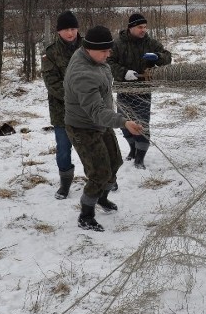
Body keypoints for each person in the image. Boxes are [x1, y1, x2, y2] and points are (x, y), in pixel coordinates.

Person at [64, 25, 144, 232]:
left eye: (109, 50)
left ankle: (102, 198)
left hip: (102, 122)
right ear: (89, 48)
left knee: (115, 162)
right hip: (83, 127)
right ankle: (86, 214)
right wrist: (124, 122)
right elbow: (97, 110)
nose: (109, 55)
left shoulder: (93, 58)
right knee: (99, 173)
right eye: (104, 51)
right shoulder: (82, 74)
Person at [108, 13, 172, 169]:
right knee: (124, 123)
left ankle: (140, 157)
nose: (143, 30)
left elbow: (168, 57)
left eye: (145, 27)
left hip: (144, 90)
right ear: (131, 28)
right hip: (124, 90)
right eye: (140, 27)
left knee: (142, 123)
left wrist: (157, 57)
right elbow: (108, 62)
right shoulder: (118, 44)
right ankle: (132, 148)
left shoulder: (150, 43)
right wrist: (123, 73)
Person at [41, 10, 82, 200]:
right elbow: (52, 84)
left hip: (88, 110)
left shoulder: (87, 48)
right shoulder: (51, 53)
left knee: (93, 146)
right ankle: (65, 184)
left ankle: (102, 179)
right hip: (62, 110)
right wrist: (76, 97)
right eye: (66, 29)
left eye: (73, 28)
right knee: (64, 148)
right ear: (58, 31)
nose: (71, 33)